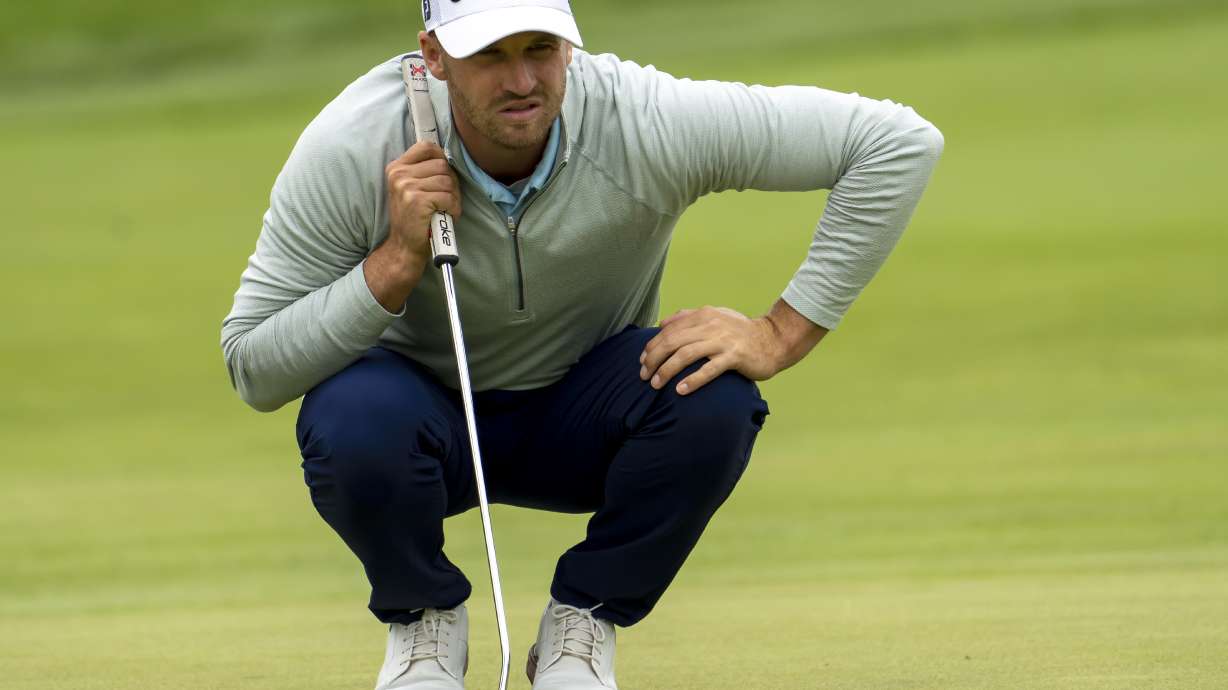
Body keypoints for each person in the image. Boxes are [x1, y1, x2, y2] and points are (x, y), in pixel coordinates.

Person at [220, 0, 943, 687]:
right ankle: (423, 622)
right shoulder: (355, 145)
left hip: (584, 413)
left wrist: (782, 332)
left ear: (571, 43)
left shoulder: (642, 119)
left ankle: (584, 621)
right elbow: (253, 366)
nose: (523, 80)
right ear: (434, 56)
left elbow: (895, 142)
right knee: (349, 415)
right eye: (490, 55)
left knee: (712, 396)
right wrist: (392, 267)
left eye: (540, 48)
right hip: (425, 425)